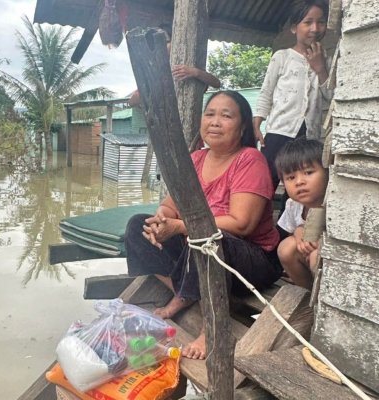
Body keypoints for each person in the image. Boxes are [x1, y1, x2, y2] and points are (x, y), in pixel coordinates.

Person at [124, 91, 282, 359]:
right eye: (209, 114)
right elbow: (169, 206)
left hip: (250, 261)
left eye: (226, 116)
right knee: (138, 225)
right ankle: (185, 293)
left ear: (243, 127)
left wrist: (179, 227)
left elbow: (241, 224)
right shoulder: (196, 159)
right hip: (198, 253)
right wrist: (161, 219)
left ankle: (212, 328)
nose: (215, 121)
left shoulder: (250, 160)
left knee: (208, 238)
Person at [253, 0, 333, 190]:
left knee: (301, 186)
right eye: (308, 22)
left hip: (310, 136)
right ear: (294, 28)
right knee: (265, 182)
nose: (315, 28)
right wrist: (257, 122)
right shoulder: (282, 57)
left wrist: (320, 69)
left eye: (321, 22)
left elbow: (330, 97)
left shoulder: (327, 61)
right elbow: (267, 91)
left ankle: (289, 212)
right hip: (279, 132)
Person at [275, 139, 328, 290]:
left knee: (316, 257)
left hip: (334, 262)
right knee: (286, 248)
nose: (299, 182)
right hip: (309, 261)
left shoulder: (334, 204)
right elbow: (291, 234)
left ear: (327, 173)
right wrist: (299, 232)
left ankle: (326, 300)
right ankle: (308, 293)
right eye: (291, 177)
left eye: (308, 172)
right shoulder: (293, 205)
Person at [128, 26, 220, 107]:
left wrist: (195, 72)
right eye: (156, 45)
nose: (162, 47)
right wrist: (152, 87)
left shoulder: (188, 66)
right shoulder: (155, 72)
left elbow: (216, 83)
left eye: (166, 42)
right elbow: (132, 102)